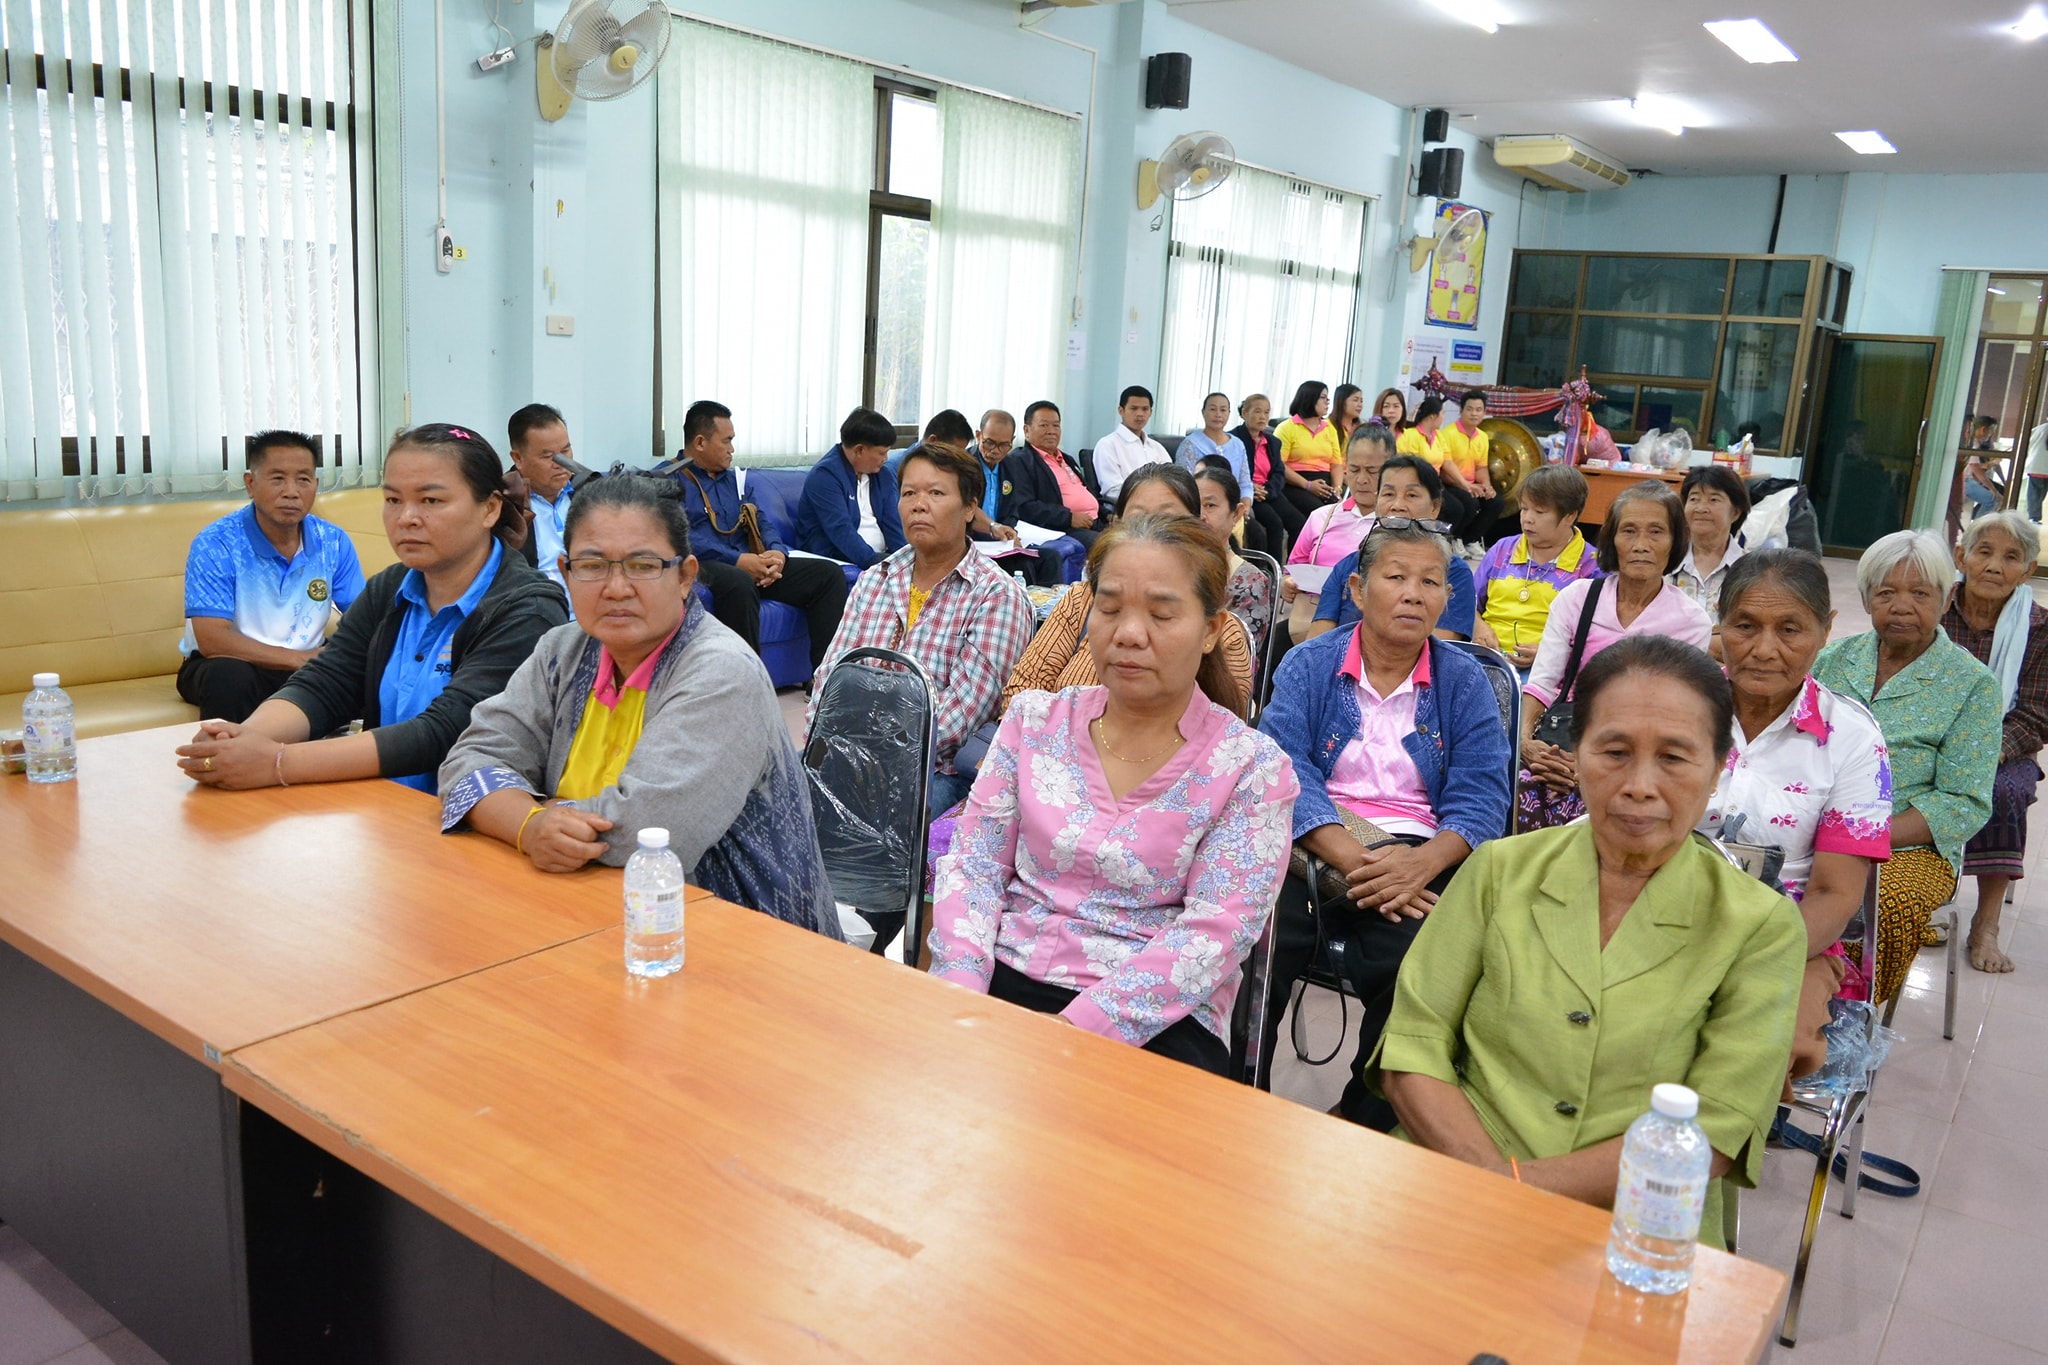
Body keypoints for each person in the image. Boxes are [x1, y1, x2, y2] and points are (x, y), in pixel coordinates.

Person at [1367, 635, 1804, 1249]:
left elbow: (1717, 1127)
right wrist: (1486, 1181)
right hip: (1453, 1172)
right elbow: (1413, 1045)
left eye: (1674, 758)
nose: (1639, 785)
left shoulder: (1758, 926)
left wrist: (1516, 1191)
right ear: (1577, 754)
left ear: (1716, 771)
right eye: (1615, 752)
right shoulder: (1499, 871)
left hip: (1640, 1220)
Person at [926, 514, 1300, 1077]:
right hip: (998, 982)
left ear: (1210, 630)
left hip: (1154, 1019)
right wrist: (961, 994)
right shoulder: (1034, 721)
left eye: (1161, 614)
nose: (1128, 633)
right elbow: (974, 865)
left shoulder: (1252, 769)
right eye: (1109, 608)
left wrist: (1072, 1033)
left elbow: (1214, 934)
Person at [436, 475, 840, 938]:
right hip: (584, 914)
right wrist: (528, 826)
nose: (616, 588)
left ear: (685, 576)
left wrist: (518, 808)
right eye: (592, 565)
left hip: (739, 934)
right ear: (566, 572)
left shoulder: (721, 671)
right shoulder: (561, 651)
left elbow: (645, 834)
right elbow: (467, 761)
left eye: (643, 565)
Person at [1260, 518, 1512, 1122]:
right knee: (1257, 947)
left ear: (1447, 598)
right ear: (1356, 589)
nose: (1413, 595)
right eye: (1396, 577)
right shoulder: (1308, 664)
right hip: (1313, 843)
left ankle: (1363, 1124)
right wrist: (1357, 858)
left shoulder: (1464, 681)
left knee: (1417, 967)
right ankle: (1236, 1100)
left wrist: (1420, 864)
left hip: (1417, 856)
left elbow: (1482, 796)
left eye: (1430, 582)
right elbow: (1282, 767)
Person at [175, 424, 570, 793]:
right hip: (383, 808)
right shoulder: (390, 587)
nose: (406, 518)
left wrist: (278, 762)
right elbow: (326, 683)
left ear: (490, 509)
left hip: (467, 818)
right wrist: (243, 738)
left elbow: (447, 729)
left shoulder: (528, 608)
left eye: (431, 500)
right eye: (393, 500)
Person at [1701, 550, 1892, 1081]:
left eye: (1789, 630)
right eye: (1745, 626)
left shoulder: (1852, 739)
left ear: (1825, 630)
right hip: (1660, 915)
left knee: (1751, 1048)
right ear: (1720, 622)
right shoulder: (1682, 708)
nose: (1764, 650)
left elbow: (1835, 894)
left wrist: (1741, 959)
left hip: (1791, 941)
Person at [1812, 530, 2000, 1004]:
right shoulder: (1832, 661)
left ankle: (1848, 1018)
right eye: (1886, 593)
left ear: (1947, 598)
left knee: (1883, 904)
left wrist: (1862, 835)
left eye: (1920, 593)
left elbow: (1963, 801)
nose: (1901, 607)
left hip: (1908, 846)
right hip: (1812, 822)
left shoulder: (1972, 684)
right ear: (1865, 599)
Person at [809, 443, 1034, 818]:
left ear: (969, 508)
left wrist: (872, 756)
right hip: (849, 753)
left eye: (936, 493)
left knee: (865, 820)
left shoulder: (997, 595)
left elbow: (962, 715)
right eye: (909, 493)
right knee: (777, 796)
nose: (918, 505)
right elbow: (830, 677)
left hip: (936, 770)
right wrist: (830, 744)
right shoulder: (876, 579)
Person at [1519, 482, 1711, 831]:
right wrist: (1527, 745)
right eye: (1629, 531)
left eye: (1656, 532)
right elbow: (1542, 684)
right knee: (1514, 793)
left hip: (1636, 755)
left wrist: (1593, 763)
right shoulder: (1577, 599)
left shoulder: (1691, 621)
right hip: (1561, 740)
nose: (1641, 545)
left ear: (1675, 542)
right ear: (1613, 539)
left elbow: (1672, 716)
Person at [1000, 464, 1256, 719]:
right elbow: (1021, 693)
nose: (1129, 635)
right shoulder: (1081, 600)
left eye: (1163, 615)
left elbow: (1221, 728)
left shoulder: (1223, 633)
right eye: (1137, 521)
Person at [176, 430, 365, 723]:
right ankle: (228, 750)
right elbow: (213, 640)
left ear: (315, 485)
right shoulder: (216, 543)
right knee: (228, 675)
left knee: (369, 666)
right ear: (250, 484)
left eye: (303, 480)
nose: (291, 492)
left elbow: (363, 619)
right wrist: (298, 660)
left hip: (306, 663)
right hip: (231, 664)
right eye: (277, 479)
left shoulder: (333, 541)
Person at [1939, 511, 2047, 974]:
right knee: (1901, 778)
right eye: (1984, 552)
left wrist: (1983, 753)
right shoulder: (1933, 608)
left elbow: (2037, 714)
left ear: (2028, 570)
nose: (1994, 566)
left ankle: (1985, 923)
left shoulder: (2040, 629)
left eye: (2011, 557)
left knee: (2002, 793)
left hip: (2004, 745)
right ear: (1961, 556)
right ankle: (1922, 892)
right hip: (1930, 733)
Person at [674, 399, 850, 673]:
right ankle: (749, 678)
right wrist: (738, 561)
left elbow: (761, 519)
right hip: (706, 563)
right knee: (739, 580)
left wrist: (777, 553)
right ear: (700, 442)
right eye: (727, 441)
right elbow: (681, 537)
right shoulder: (670, 480)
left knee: (828, 575)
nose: (732, 449)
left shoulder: (734, 479)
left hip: (749, 563)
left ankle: (824, 677)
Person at [1306, 455, 1476, 643]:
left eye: (1411, 495)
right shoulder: (1349, 565)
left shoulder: (1453, 571)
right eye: (1388, 494)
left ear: (1435, 507)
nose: (1397, 506)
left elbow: (1437, 649)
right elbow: (1318, 643)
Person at [1470, 464, 1597, 672]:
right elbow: (1470, 602)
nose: (1527, 519)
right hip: (1486, 658)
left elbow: (1596, 636)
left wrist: (1551, 653)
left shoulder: (1592, 566)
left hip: (1549, 671)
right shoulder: (1502, 549)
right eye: (1524, 508)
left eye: (1539, 511)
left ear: (1570, 516)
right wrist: (1479, 627)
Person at [794, 406, 905, 570]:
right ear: (859, 450)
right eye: (882, 453)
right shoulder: (825, 477)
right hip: (835, 558)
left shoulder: (883, 475)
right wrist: (879, 565)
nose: (886, 458)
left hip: (880, 556)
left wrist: (908, 559)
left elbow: (894, 524)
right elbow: (841, 531)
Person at [964, 408, 1064, 589]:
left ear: (1012, 441)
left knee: (1051, 558)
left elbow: (1012, 510)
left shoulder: (1011, 466)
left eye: (1003, 445)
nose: (995, 451)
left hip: (1000, 541)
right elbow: (965, 507)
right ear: (978, 435)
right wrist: (993, 528)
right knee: (1022, 565)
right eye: (989, 443)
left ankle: (1049, 606)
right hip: (972, 539)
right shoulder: (964, 464)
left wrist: (1010, 532)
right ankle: (1024, 606)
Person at [1192, 463, 1274, 679]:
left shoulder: (1251, 583)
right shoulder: (1171, 566)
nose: (1200, 516)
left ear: (1236, 513)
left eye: (1210, 505)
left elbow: (1239, 665)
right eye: (1194, 506)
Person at [1288, 426, 1389, 575]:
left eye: (1372, 471)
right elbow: (1292, 570)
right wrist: (1289, 582)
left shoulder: (1399, 525)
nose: (1361, 480)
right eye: (1354, 470)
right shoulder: (1321, 517)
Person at [1002, 400, 1099, 550]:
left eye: (1056, 425)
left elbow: (1087, 493)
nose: (1051, 431)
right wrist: (1068, 518)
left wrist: (1108, 514)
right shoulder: (1020, 460)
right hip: (1062, 528)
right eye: (1044, 425)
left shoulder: (1066, 459)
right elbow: (1024, 506)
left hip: (1095, 522)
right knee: (1112, 546)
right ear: (1027, 430)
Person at [1668, 464, 1752, 629]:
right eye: (1694, 499)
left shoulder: (1751, 570)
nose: (1701, 508)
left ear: (1736, 512)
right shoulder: (1666, 562)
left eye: (1714, 500)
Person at [506, 403, 577, 586]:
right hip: (535, 600)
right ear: (518, 458)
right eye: (548, 456)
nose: (561, 463)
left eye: (565, 451)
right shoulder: (504, 506)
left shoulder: (588, 492)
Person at [1397, 397, 1479, 555]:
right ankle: (1435, 541)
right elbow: (1407, 464)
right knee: (1455, 508)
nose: (1443, 417)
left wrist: (1466, 485)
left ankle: (1454, 539)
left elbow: (1448, 463)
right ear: (1433, 416)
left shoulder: (1439, 436)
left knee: (1470, 503)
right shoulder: (1410, 435)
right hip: (1418, 482)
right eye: (1443, 413)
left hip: (1436, 483)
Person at [1179, 392, 1254, 546]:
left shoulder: (1238, 444)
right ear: (1203, 412)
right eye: (1213, 409)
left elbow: (1245, 483)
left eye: (1223, 409)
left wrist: (1246, 506)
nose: (1218, 414)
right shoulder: (1190, 444)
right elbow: (1184, 484)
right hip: (1203, 507)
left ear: (1229, 413)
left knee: (1257, 532)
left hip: (1233, 507)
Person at [1435, 391, 1502, 549]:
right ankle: (1455, 539)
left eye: (1478, 410)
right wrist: (1466, 486)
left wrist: (1486, 486)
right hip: (1450, 484)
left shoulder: (1483, 437)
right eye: (1469, 409)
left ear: (1484, 413)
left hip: (1472, 485)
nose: (1474, 414)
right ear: (1461, 410)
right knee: (1469, 503)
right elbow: (1445, 469)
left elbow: (1481, 467)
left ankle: (1469, 541)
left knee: (1496, 502)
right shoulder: (1447, 434)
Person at [1232, 392, 1298, 548]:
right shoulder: (1234, 439)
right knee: (1274, 524)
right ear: (1244, 413)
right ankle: (1270, 564)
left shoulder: (1273, 442)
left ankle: (1292, 562)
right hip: (1249, 493)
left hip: (1269, 491)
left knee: (1298, 522)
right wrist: (1251, 488)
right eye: (1257, 411)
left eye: (1266, 412)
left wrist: (1267, 491)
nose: (1263, 416)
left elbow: (1279, 473)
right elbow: (1232, 472)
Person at [1092, 385, 1171, 501]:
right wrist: (1150, 499)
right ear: (1121, 411)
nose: (1140, 414)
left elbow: (1173, 481)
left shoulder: (1157, 447)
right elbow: (1113, 490)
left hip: (1161, 504)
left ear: (1150, 412)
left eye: (1145, 409)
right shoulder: (1107, 445)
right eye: (1134, 408)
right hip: (1128, 507)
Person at [1277, 380, 1342, 517]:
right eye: (1323, 398)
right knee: (1322, 513)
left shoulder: (1329, 428)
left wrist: (1337, 488)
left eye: (1328, 398)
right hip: (1296, 483)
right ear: (1310, 398)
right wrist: (1308, 485)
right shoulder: (1287, 428)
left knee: (1340, 513)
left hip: (1324, 482)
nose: (1327, 402)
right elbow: (1279, 465)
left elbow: (1336, 464)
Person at [1962, 416, 2002, 519]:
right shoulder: (1973, 445)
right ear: (1983, 429)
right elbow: (1976, 468)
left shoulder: (1976, 443)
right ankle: (1978, 524)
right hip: (1966, 481)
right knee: (1993, 500)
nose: (1991, 434)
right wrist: (1993, 490)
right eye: (1991, 431)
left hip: (1970, 480)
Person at [2024, 421, 2048, 522]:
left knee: (2035, 494)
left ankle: (2033, 517)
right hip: (2043, 467)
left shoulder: (2037, 429)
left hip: (2035, 466)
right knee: (2039, 494)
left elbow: (2027, 445)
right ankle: (2034, 516)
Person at [1332, 383, 1365, 448]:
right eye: (1355, 400)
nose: (1360, 405)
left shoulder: (1361, 428)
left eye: (1361, 401)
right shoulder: (1328, 426)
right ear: (1342, 401)